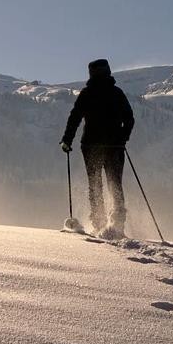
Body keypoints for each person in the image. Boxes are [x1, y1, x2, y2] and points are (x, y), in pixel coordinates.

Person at [61, 59, 134, 237]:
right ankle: (117, 225)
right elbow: (129, 119)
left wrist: (67, 140)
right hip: (114, 146)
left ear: (91, 74)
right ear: (108, 72)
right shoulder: (117, 93)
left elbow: (75, 118)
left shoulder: (87, 93)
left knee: (95, 185)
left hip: (90, 146)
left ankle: (99, 223)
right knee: (115, 183)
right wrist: (123, 137)